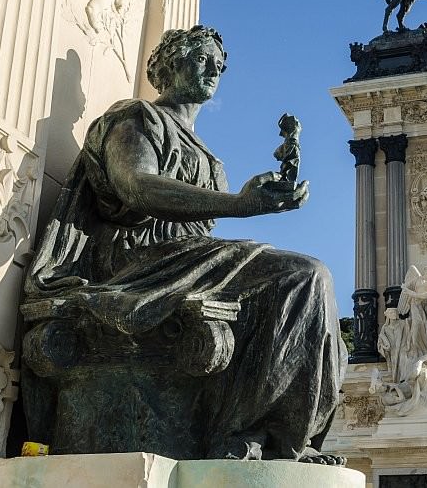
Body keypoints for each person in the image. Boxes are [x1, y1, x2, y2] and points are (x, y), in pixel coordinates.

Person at [23, 25, 346, 462]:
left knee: (304, 287)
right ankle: (251, 436)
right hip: (136, 260)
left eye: (220, 65)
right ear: (170, 64)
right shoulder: (137, 118)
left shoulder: (212, 160)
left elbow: (202, 234)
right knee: (304, 275)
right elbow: (135, 186)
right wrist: (240, 205)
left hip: (185, 259)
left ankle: (277, 438)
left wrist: (260, 199)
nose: (213, 69)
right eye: (201, 59)